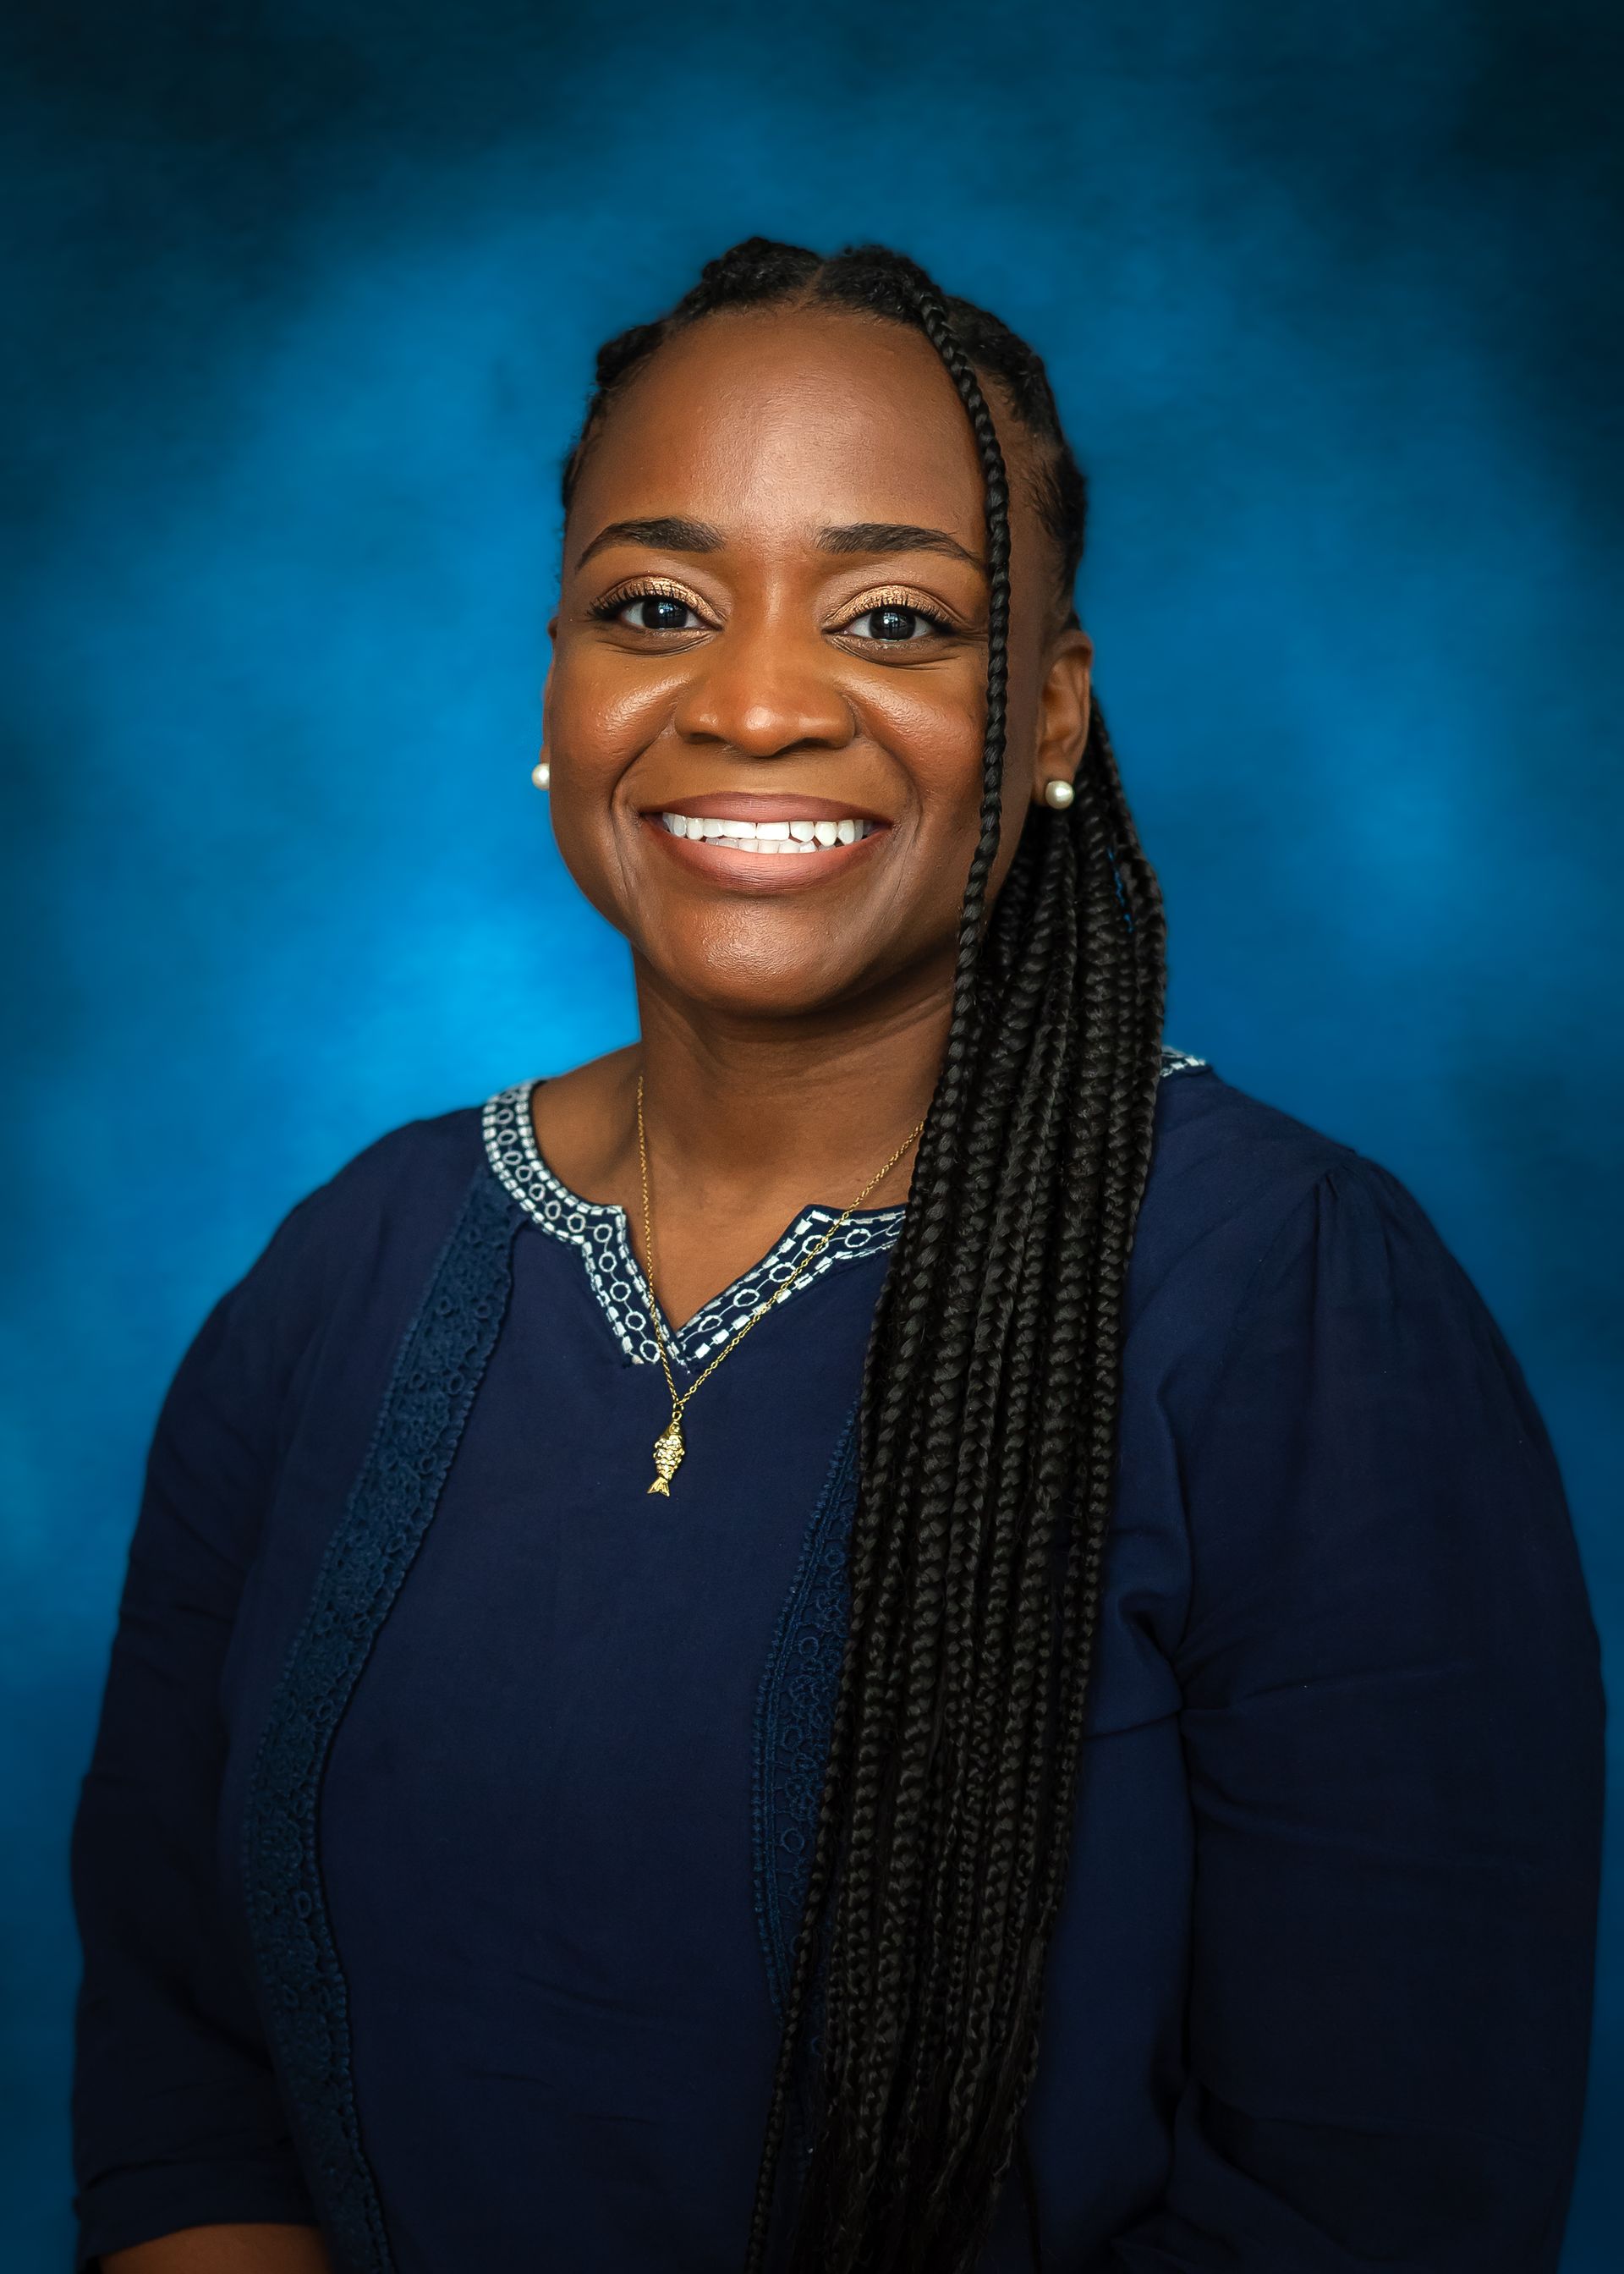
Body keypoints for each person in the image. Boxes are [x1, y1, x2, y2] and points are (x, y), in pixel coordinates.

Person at [71, 239, 1604, 2274]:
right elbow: (185, 2085)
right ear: (555, 683)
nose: (761, 702)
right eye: (656, 608)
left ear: (1051, 711)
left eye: (894, 618)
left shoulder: (1292, 1297)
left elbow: (1380, 2200)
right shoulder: (347, 1271)